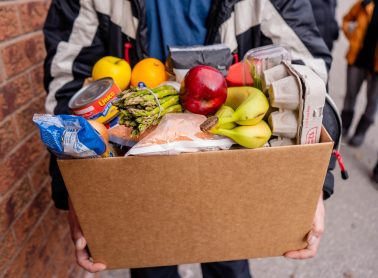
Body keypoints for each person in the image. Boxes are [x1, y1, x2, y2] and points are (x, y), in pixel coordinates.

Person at [43, 0, 337, 276]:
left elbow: (309, 80)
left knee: (230, 261)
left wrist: (311, 182)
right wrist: (76, 189)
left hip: (233, 172)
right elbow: (68, 84)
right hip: (134, 180)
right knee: (150, 264)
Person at [341, 0, 378, 147]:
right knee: (350, 95)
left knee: (373, 102)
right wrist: (353, 37)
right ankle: (344, 126)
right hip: (357, 60)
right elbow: (346, 20)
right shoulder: (364, 3)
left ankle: (360, 133)